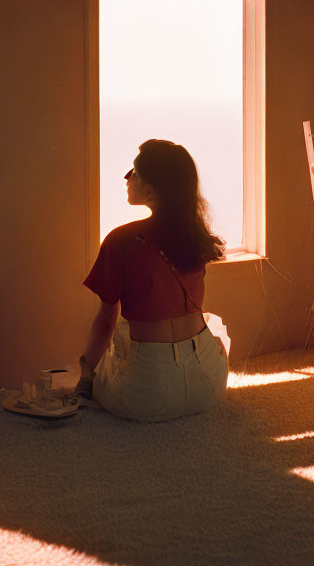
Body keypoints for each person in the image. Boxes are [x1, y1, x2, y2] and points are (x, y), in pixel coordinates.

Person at [76, 139, 229, 422]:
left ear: (149, 190)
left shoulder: (120, 241)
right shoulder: (195, 236)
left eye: (133, 172)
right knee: (212, 328)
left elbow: (106, 320)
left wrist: (87, 372)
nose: (126, 178)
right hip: (209, 385)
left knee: (118, 334)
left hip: (147, 396)